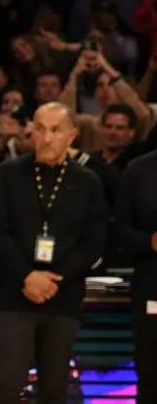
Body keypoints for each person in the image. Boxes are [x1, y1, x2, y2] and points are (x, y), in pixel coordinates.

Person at [0, 102, 106, 404]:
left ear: (71, 136)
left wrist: (55, 278)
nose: (47, 138)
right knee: (7, 385)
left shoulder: (87, 181)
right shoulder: (6, 174)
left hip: (63, 296)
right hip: (16, 293)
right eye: (40, 129)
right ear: (31, 132)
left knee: (54, 388)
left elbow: (94, 242)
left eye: (56, 130)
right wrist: (28, 276)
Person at [112, 149, 157, 403]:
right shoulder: (139, 169)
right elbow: (119, 230)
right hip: (152, 286)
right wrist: (150, 242)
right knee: (151, 375)